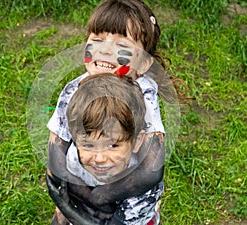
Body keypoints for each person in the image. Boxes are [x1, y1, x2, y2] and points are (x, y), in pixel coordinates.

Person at [46, 0, 180, 223]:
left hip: (127, 202)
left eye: (122, 46)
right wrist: (72, 197)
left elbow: (151, 170)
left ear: (145, 63)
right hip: (80, 188)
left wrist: (102, 196)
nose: (105, 50)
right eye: (97, 40)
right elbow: (56, 147)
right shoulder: (73, 89)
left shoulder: (145, 98)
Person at [47, 73, 164, 225]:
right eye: (88, 145)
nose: (100, 158)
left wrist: (66, 207)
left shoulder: (143, 189)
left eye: (113, 145)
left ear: (137, 141)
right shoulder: (70, 160)